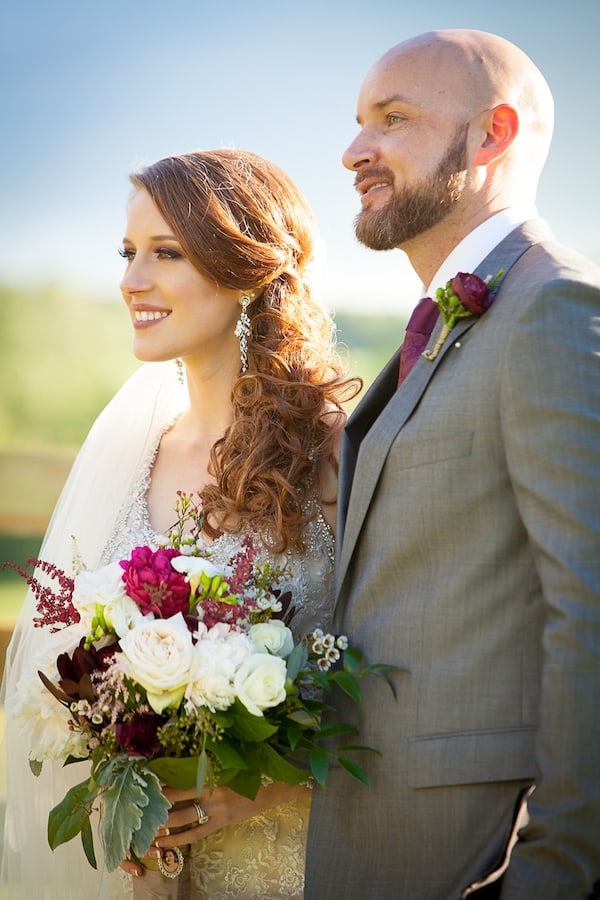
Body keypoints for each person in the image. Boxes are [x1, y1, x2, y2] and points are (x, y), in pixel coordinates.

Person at [0, 148, 360, 899]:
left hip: (295, 869)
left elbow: (405, 678)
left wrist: (267, 786)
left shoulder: (330, 451)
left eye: (167, 253)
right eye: (129, 252)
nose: (132, 281)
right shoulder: (135, 452)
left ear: (247, 267)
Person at [305, 28, 600, 900]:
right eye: (359, 121)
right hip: (366, 833)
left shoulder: (553, 310)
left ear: (492, 135)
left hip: (473, 856)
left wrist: (556, 872)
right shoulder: (442, 322)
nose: (355, 150)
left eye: (392, 119)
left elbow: (591, 607)